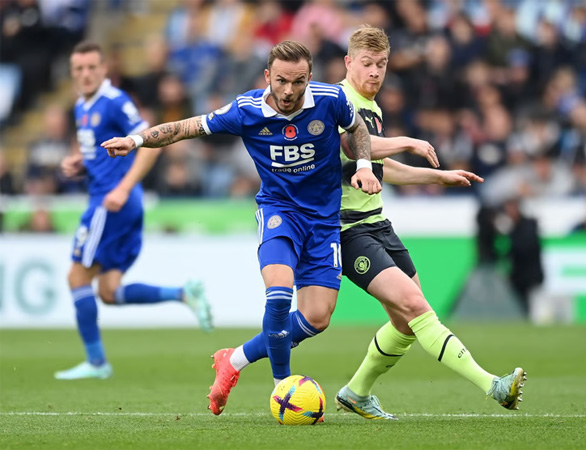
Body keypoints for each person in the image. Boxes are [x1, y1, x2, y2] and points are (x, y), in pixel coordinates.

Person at [191, 27, 526, 419]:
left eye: (382, 65)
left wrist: (437, 176)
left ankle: (353, 391)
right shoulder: (331, 100)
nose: (375, 73)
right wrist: (408, 140)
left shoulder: (372, 106)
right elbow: (350, 147)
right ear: (348, 63)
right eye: (366, 64)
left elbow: (378, 168)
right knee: (415, 307)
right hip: (346, 226)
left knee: (402, 321)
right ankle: (493, 386)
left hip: (377, 222)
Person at [102, 40, 381, 415]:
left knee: (317, 318)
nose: (288, 91)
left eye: (298, 82)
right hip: (279, 213)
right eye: (281, 80)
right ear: (268, 76)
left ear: (309, 78)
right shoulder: (245, 109)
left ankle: (233, 361)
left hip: (323, 222)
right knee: (279, 295)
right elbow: (187, 127)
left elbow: (357, 128)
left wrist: (363, 165)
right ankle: (282, 385)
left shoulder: (331, 99)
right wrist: (135, 140)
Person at [56, 42, 213, 381]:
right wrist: (83, 163)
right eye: (78, 69)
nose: (84, 74)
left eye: (91, 68)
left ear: (103, 70)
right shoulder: (82, 107)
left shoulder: (114, 101)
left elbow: (149, 145)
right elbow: (106, 153)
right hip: (119, 202)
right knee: (109, 291)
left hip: (111, 202)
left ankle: (97, 363)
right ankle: (183, 294)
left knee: (76, 277)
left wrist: (123, 188)